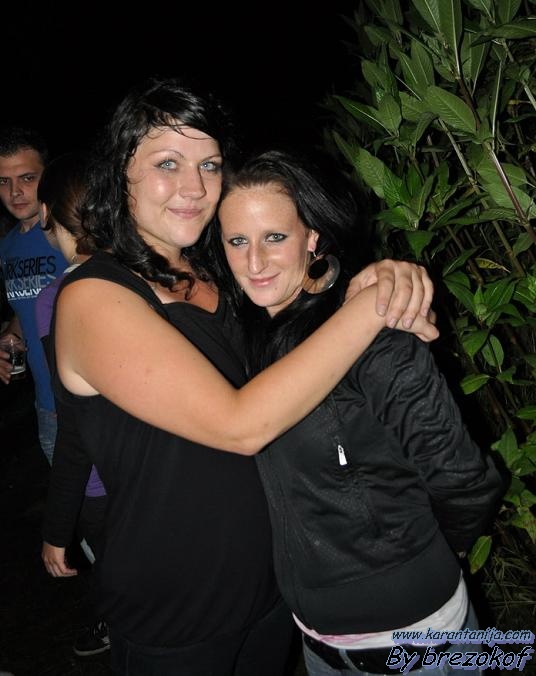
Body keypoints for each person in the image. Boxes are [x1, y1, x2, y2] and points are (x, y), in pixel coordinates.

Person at [41, 76, 437, 676]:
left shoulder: (216, 272)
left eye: (209, 165)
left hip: (277, 587)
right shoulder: (92, 297)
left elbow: (301, 320)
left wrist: (375, 277)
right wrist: (371, 308)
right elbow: (240, 424)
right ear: (120, 172)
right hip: (177, 611)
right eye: (167, 163)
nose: (195, 187)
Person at [215, 149, 505, 676]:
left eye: (274, 237)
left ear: (312, 237)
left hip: (414, 636)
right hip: (316, 638)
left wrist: (418, 559)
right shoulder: (245, 337)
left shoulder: (376, 333)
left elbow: (464, 479)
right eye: (238, 240)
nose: (254, 262)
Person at [35, 152, 110, 657]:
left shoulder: (59, 296)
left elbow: (74, 418)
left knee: (125, 587)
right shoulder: (143, 278)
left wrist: (56, 526)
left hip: (101, 480)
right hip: (152, 472)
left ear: (47, 214)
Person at [0, 126, 68, 463]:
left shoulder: (69, 232)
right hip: (46, 406)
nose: (15, 192)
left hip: (89, 403)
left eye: (27, 178)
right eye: (3, 181)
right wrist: (10, 336)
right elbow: (25, 306)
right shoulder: (7, 246)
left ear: (48, 176)